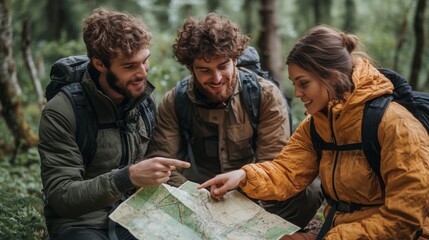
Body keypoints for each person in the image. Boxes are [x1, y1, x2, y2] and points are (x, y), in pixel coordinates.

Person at [199, 24, 429, 239]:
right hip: (340, 231)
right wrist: (243, 175)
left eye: (303, 83)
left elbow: (405, 217)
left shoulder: (395, 124)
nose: (297, 93)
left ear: (331, 76)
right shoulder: (316, 125)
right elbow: (287, 171)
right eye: (294, 83)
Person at [146, 12, 323, 230]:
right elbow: (164, 166)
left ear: (235, 60)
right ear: (190, 69)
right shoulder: (175, 101)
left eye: (223, 66)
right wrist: (196, 199)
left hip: (253, 191)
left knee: (310, 191)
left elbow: (273, 164)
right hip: (199, 194)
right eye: (205, 70)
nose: (217, 78)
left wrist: (241, 202)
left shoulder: (265, 95)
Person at [38, 8, 190, 240]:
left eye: (145, 61)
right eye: (130, 66)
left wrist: (198, 194)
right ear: (100, 64)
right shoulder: (63, 110)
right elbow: (62, 197)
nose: (142, 73)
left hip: (135, 215)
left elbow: (154, 163)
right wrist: (125, 177)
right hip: (81, 223)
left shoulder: (144, 100)